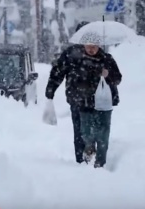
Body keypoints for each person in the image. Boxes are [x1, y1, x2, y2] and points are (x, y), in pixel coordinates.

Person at [45, 33, 122, 168]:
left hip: (101, 104)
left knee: (101, 133)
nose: (91, 49)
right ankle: (82, 162)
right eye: (88, 45)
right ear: (83, 42)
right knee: (81, 133)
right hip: (78, 101)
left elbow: (117, 78)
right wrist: (50, 91)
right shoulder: (71, 55)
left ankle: (99, 162)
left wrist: (107, 74)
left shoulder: (105, 59)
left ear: (99, 44)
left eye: (94, 46)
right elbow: (57, 73)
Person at [45, 21, 91, 164]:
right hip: (93, 98)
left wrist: (50, 91)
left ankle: (81, 157)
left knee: (78, 129)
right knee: (93, 126)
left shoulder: (70, 54)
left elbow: (57, 73)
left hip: (76, 97)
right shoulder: (97, 53)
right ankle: (92, 154)